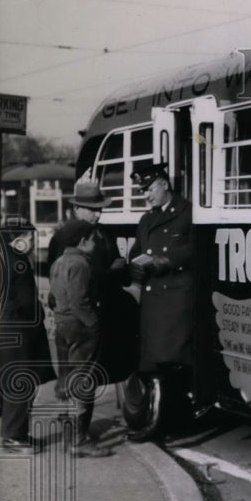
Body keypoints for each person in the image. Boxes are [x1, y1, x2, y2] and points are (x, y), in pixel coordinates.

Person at [47, 180, 131, 394]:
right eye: (92, 210)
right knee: (76, 375)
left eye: (100, 209)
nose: (97, 215)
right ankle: (73, 421)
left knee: (86, 376)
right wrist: (112, 271)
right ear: (76, 209)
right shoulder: (63, 238)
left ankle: (74, 419)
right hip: (77, 318)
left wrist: (119, 268)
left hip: (100, 311)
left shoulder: (102, 234)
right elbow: (65, 281)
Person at [50, 218, 112, 458]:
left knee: (66, 381)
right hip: (80, 328)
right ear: (83, 241)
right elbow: (79, 302)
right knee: (83, 383)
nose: (96, 243)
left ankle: (70, 436)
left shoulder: (58, 262)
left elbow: (55, 299)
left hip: (62, 326)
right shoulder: (81, 264)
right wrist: (94, 324)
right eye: (94, 239)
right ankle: (78, 440)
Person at [0, 216, 56, 453]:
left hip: (20, 328)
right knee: (18, 383)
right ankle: (12, 437)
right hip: (18, 329)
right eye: (29, 236)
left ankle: (19, 433)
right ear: (15, 238)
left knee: (24, 382)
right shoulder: (13, 261)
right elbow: (21, 299)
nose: (32, 240)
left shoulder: (12, 258)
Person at [127, 163, 194, 373]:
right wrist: (135, 266)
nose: (147, 195)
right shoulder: (146, 219)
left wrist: (167, 260)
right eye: (143, 191)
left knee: (172, 366)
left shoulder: (189, 212)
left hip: (175, 303)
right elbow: (136, 251)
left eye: (150, 189)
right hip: (151, 302)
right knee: (151, 368)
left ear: (164, 184)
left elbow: (199, 248)